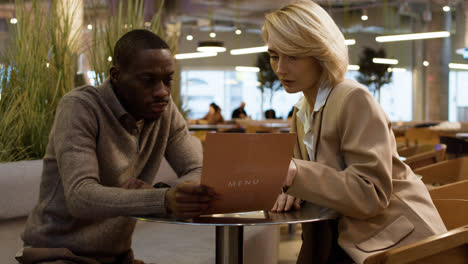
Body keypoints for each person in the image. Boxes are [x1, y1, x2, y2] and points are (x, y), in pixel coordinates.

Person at [264, 2, 446, 264]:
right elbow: (315, 182)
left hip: (394, 245)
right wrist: (290, 188)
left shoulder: (352, 97)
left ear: (320, 52)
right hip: (341, 243)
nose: (280, 68)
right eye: (274, 56)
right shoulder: (301, 111)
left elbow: (370, 194)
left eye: (293, 56)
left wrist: (297, 173)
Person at [19, 29, 217, 264]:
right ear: (116, 75)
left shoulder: (165, 111)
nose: (162, 92)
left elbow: (202, 170)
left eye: (168, 80)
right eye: (148, 80)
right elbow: (80, 197)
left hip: (117, 256)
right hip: (57, 254)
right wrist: (161, 199)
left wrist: (165, 190)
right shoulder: (80, 107)